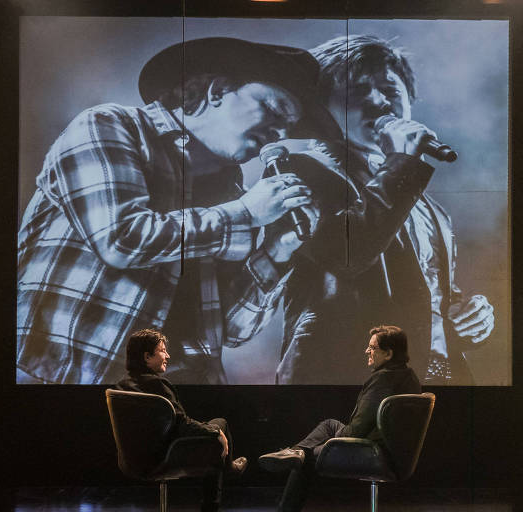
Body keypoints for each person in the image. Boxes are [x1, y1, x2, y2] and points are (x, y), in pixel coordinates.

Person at [17, 38, 321, 384]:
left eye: (289, 128)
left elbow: (233, 331)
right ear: (218, 91)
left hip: (179, 394)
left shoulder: (235, 196)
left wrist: (276, 251)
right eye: (277, 111)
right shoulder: (110, 126)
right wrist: (245, 214)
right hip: (65, 383)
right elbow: (121, 239)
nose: (280, 134)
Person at [276, 35, 495, 385]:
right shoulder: (299, 170)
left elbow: (431, 299)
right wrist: (401, 163)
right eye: (358, 91)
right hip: (345, 378)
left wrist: (469, 317)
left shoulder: (427, 205)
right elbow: (348, 253)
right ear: (321, 106)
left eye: (390, 90)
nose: (380, 102)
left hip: (432, 380)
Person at [260, 325, 420, 512]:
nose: (367, 351)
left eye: (373, 347)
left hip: (372, 452)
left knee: (306, 458)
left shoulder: (383, 380)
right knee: (329, 425)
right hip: (394, 452)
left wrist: (337, 439)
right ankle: (294, 452)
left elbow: (358, 429)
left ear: (388, 354)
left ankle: (294, 464)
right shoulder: (410, 377)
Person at [116, 328, 247, 512]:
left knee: (213, 442)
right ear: (147, 357)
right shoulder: (157, 385)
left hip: (133, 460)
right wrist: (215, 432)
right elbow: (182, 424)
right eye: (162, 350)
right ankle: (223, 481)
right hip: (166, 456)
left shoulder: (122, 386)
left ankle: (226, 470)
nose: (168, 355)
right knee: (220, 426)